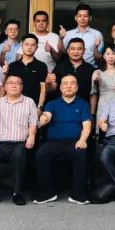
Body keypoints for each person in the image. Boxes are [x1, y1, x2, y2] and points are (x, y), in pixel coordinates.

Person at [0, 74, 38, 206]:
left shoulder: (29, 102)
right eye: (10, 83)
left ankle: (17, 193)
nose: (14, 85)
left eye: (17, 83)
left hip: (19, 143)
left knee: (19, 156)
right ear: (5, 86)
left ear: (22, 86)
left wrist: (32, 136)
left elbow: (33, 122)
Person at [34, 75, 92, 204]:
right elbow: (47, 115)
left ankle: (78, 195)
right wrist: (44, 119)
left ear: (77, 87)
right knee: (41, 154)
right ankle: (47, 193)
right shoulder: (52, 104)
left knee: (80, 153)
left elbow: (87, 125)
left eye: (72, 83)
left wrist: (82, 140)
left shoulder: (83, 104)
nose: (69, 86)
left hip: (75, 141)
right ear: (60, 87)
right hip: (53, 142)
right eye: (65, 83)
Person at [3, 33, 48, 105]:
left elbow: (43, 89)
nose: (29, 47)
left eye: (32, 45)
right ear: (21, 46)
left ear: (36, 47)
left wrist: (40, 107)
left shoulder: (41, 66)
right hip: (14, 105)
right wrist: (4, 74)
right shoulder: (13, 66)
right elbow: (5, 86)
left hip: (33, 105)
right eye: (26, 44)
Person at [55, 37, 98, 112]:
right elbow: (52, 88)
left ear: (84, 50)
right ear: (68, 51)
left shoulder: (91, 69)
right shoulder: (60, 67)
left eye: (79, 49)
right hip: (61, 108)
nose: (76, 52)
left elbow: (93, 93)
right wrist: (48, 83)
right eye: (72, 49)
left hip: (83, 110)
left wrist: (92, 114)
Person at [92, 45, 115, 119]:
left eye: (113, 54)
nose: (111, 57)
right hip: (103, 104)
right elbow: (93, 92)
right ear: (103, 56)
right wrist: (95, 80)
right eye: (107, 54)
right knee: (103, 124)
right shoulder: (98, 72)